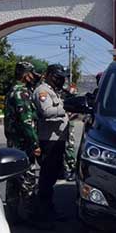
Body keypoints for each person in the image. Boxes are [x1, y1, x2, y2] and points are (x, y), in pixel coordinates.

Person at [3, 61, 41, 224]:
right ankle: (31, 216)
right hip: (23, 144)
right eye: (32, 73)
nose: (34, 77)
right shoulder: (22, 93)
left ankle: (12, 216)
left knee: (13, 179)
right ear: (25, 74)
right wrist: (35, 144)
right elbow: (27, 122)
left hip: (13, 143)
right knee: (28, 180)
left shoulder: (13, 90)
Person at [34, 64, 69, 221]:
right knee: (47, 177)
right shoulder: (43, 91)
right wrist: (66, 108)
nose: (60, 80)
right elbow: (47, 111)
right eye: (57, 77)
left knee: (53, 175)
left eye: (62, 77)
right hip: (49, 139)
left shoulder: (55, 91)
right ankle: (43, 212)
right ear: (48, 75)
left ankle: (48, 209)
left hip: (58, 138)